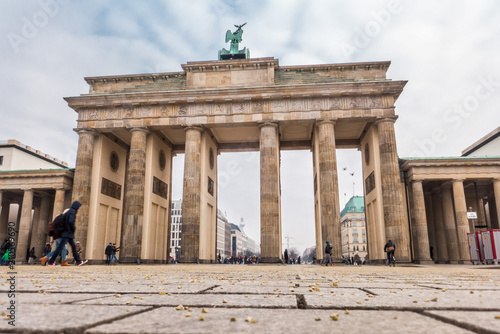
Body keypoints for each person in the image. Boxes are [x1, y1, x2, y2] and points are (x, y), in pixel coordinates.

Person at [47, 201, 88, 266]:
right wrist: (72, 229)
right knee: (61, 247)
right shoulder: (72, 212)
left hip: (67, 232)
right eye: (79, 206)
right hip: (67, 233)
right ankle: (51, 261)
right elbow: (70, 222)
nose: (79, 208)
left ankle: (78, 261)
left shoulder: (69, 211)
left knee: (73, 247)